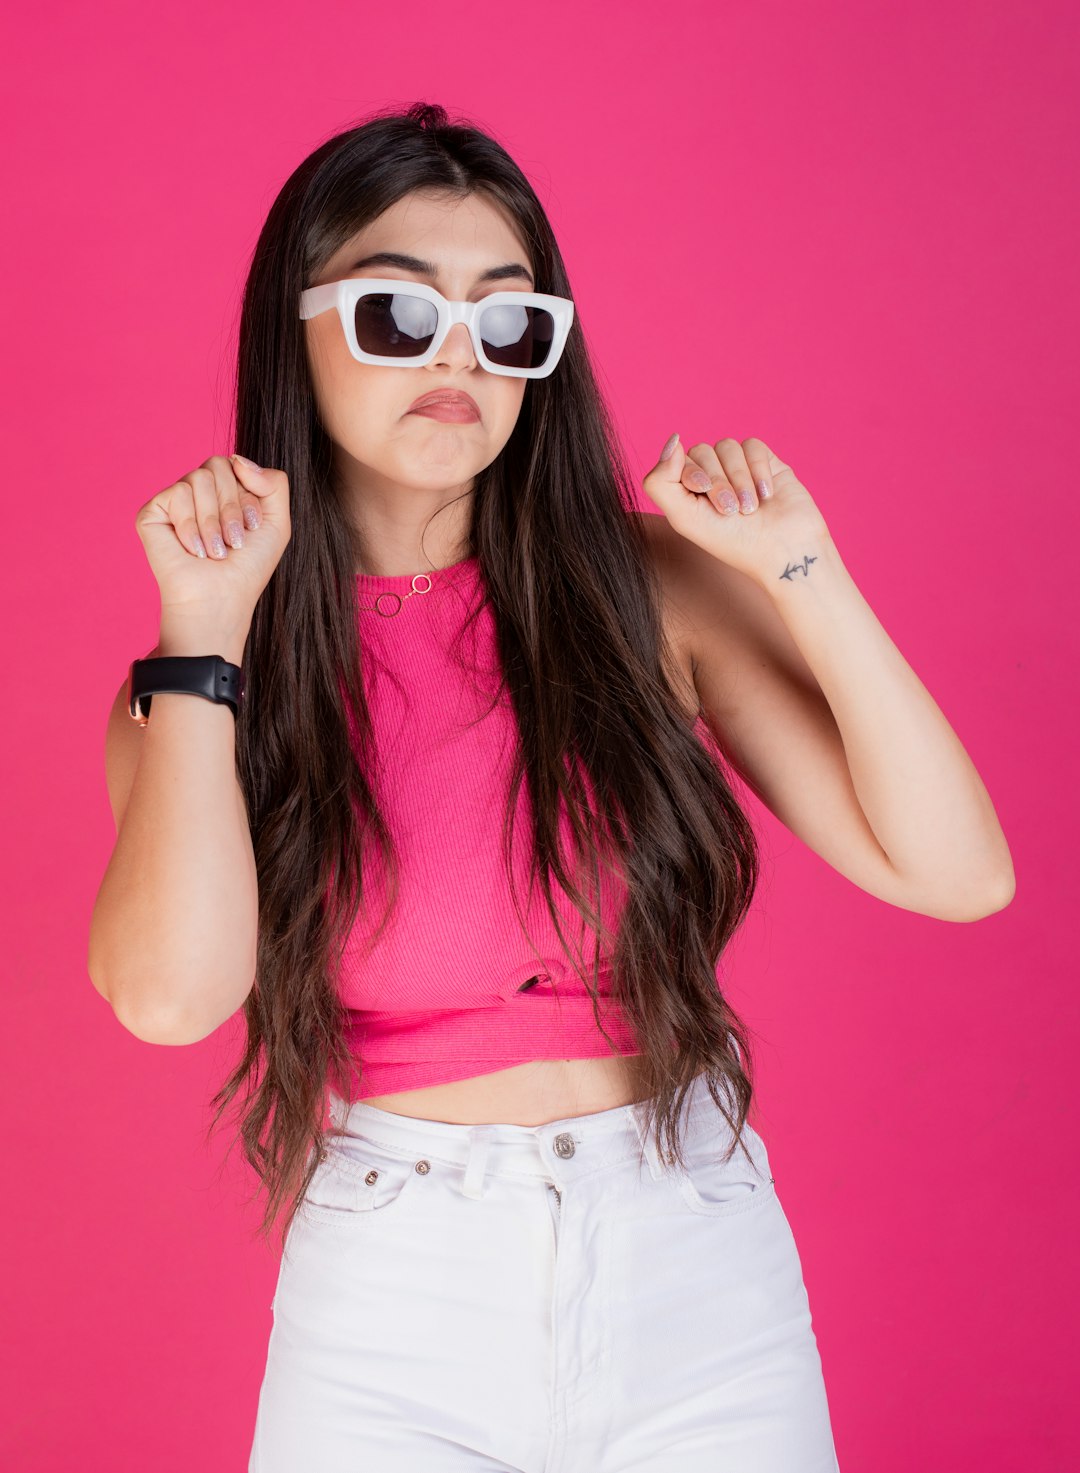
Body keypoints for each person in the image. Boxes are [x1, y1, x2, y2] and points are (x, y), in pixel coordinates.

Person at [87, 102, 1014, 1472]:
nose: (459, 354)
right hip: (395, 1303)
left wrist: (801, 564)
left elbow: (960, 872)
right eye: (402, 314)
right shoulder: (204, 680)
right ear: (300, 326)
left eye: (509, 322)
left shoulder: (645, 593)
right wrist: (203, 640)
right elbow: (170, 996)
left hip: (694, 1269)